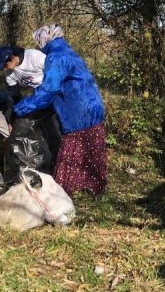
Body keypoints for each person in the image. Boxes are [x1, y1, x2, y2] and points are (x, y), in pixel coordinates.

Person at [13, 24, 107, 195]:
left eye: (38, 41)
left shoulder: (56, 57)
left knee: (71, 157)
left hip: (77, 111)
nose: (38, 45)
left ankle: (64, 192)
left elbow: (49, 90)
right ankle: (93, 188)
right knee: (92, 151)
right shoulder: (69, 52)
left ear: (44, 39)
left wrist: (20, 108)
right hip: (94, 107)